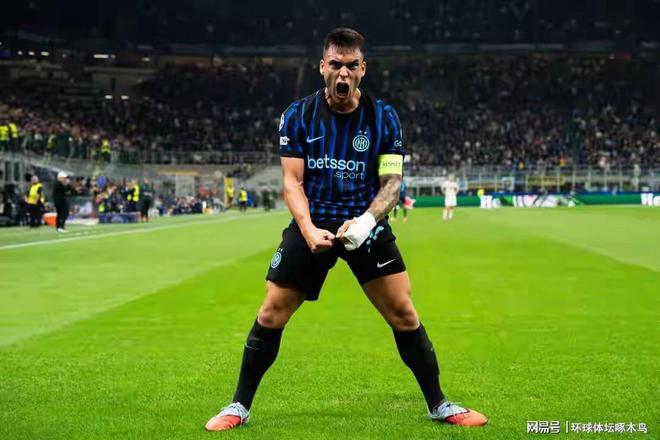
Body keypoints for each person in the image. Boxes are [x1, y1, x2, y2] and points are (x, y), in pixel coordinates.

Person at [205, 28, 487, 432]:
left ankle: (439, 404)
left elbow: (392, 183)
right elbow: (292, 182)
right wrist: (307, 229)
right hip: (313, 223)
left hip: (364, 224)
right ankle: (238, 405)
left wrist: (367, 222)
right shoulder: (297, 115)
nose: (343, 73)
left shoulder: (384, 117)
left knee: (404, 312)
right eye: (335, 64)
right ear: (322, 66)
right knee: (271, 311)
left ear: (363, 69)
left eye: (351, 65)